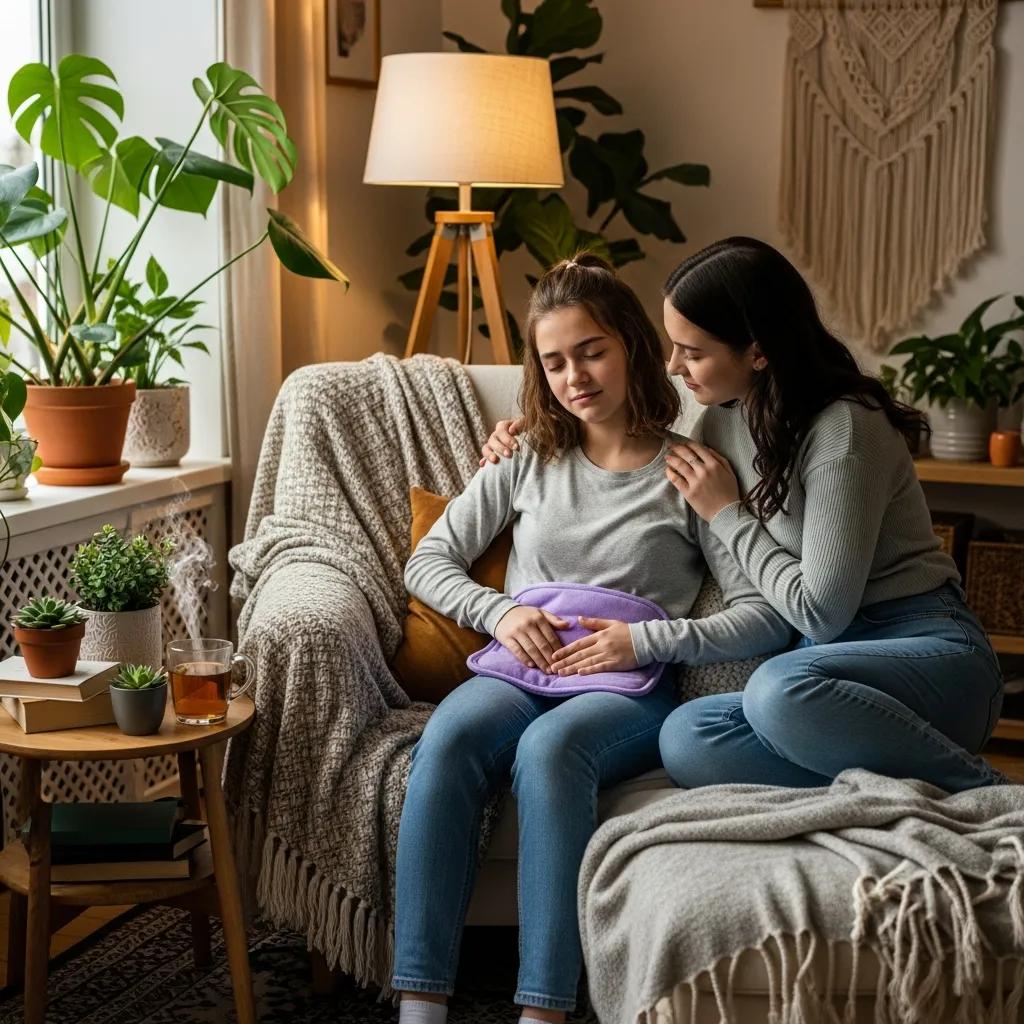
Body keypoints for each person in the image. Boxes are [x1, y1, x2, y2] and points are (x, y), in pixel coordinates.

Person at [393, 254, 791, 1024]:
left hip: (627, 689)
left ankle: (544, 1008)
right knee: (448, 738)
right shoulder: (525, 459)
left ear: (633, 346)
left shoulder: (690, 470)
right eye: (554, 362)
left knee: (552, 751)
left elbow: (763, 613)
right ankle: (420, 1002)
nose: (575, 376)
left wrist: (644, 644)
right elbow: (428, 560)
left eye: (592, 351)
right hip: (519, 669)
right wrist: (499, 613)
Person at [480, 237, 1005, 794]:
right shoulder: (721, 420)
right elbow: (629, 424)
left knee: (777, 687)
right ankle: (878, 785)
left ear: (757, 352)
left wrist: (727, 512)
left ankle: (987, 791)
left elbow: (820, 614)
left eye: (692, 352)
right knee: (687, 738)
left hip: (923, 651)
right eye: (674, 346)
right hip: (819, 678)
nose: (674, 365)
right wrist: (531, 431)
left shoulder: (846, 429)